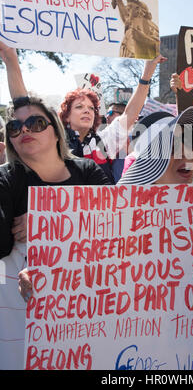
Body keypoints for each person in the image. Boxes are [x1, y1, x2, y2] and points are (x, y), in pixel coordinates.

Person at [0, 94, 110, 370]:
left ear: (56, 131)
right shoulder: (7, 178)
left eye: (35, 122)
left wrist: (46, 221)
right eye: (14, 127)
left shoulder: (87, 171)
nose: (24, 130)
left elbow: (115, 224)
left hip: (86, 304)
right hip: (22, 316)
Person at [0, 40, 167, 184]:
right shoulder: (52, 141)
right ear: (66, 115)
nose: (87, 111)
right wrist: (10, 60)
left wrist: (147, 74)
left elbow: (129, 114)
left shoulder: (105, 140)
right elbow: (23, 107)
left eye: (91, 108)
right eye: (79, 107)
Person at [118, 106, 193, 185]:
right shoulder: (132, 207)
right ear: (149, 162)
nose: (186, 153)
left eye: (191, 143)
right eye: (171, 147)